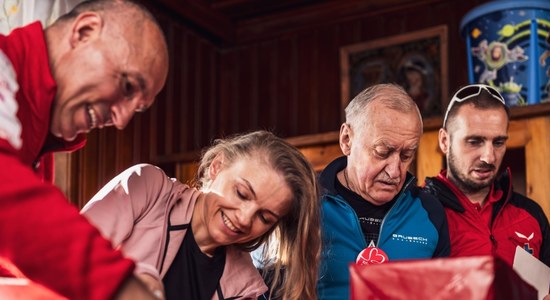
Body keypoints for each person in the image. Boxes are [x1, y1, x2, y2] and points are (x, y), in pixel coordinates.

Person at [0, 0, 168, 299]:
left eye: (137, 109)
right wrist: (122, 286)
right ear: (84, 31)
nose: (122, 120)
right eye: (128, 87)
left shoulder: (36, 141)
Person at [81, 130, 321, 300]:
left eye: (264, 218)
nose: (245, 218)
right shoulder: (147, 187)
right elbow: (67, 253)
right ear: (217, 167)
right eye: (242, 193)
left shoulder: (245, 289)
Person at [423, 84, 550, 300]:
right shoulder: (418, 211)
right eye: (474, 141)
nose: (489, 157)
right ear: (445, 141)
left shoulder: (530, 214)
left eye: (498, 142)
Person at [317, 83, 450, 299]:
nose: (395, 171)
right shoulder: (306, 204)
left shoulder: (429, 212)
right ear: (347, 140)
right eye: (382, 152)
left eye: (406, 155)